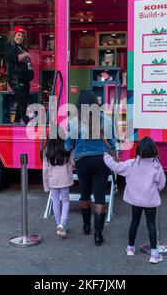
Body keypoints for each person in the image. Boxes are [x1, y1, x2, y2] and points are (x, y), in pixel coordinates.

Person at [64, 90, 116, 246]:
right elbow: (113, 143)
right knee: (100, 195)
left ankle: (86, 227)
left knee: (84, 193)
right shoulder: (106, 120)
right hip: (102, 160)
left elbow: (67, 146)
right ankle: (98, 235)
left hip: (83, 162)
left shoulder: (74, 122)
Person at [103, 137, 166, 264]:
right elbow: (161, 183)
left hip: (136, 200)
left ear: (138, 150)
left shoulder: (131, 164)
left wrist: (106, 156)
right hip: (150, 200)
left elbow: (115, 166)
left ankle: (130, 248)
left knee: (134, 222)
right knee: (151, 224)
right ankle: (154, 254)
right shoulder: (156, 165)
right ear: (154, 150)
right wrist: (155, 191)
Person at [42, 130, 74, 238]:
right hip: (64, 180)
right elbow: (73, 162)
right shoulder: (66, 150)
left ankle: (58, 224)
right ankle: (62, 223)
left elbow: (45, 170)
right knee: (65, 201)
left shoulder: (46, 151)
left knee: (55, 201)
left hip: (53, 181)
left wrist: (46, 185)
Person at [5, 25, 34, 125]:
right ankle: (27, 124)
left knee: (23, 100)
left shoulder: (22, 47)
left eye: (22, 36)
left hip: (24, 80)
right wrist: (26, 55)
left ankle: (15, 121)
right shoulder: (10, 47)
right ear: (14, 35)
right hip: (16, 79)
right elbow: (15, 58)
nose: (20, 37)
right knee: (23, 101)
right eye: (18, 35)